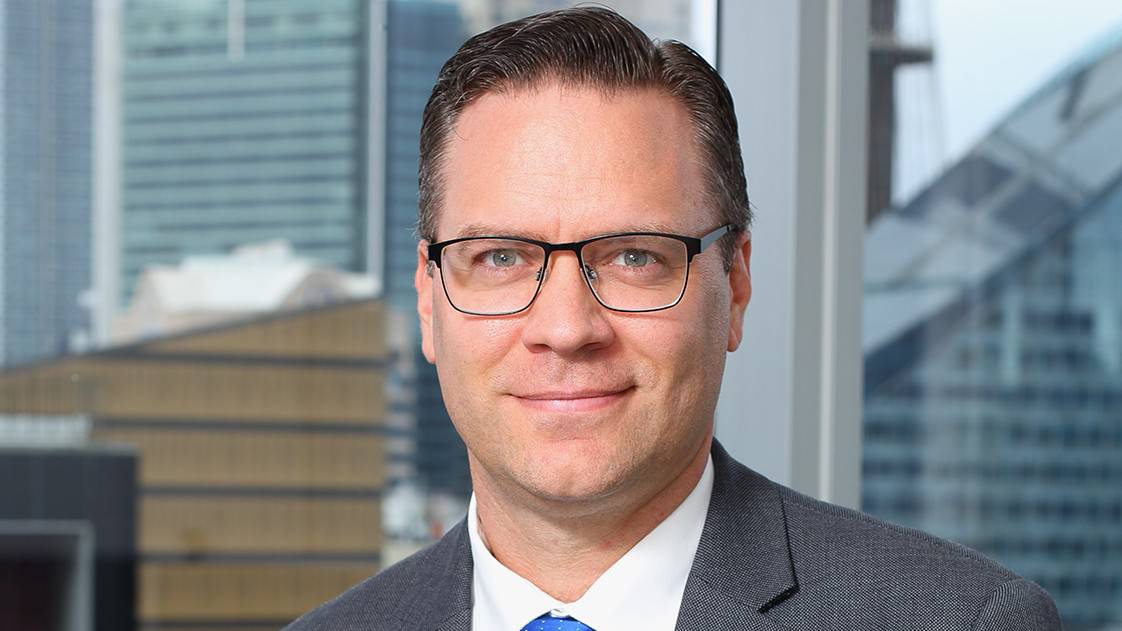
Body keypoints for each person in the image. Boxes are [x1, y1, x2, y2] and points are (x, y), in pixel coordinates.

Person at [287, 7, 1061, 631]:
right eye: (500, 258)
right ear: (428, 300)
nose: (566, 327)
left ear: (738, 282)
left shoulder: (960, 620)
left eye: (633, 256)